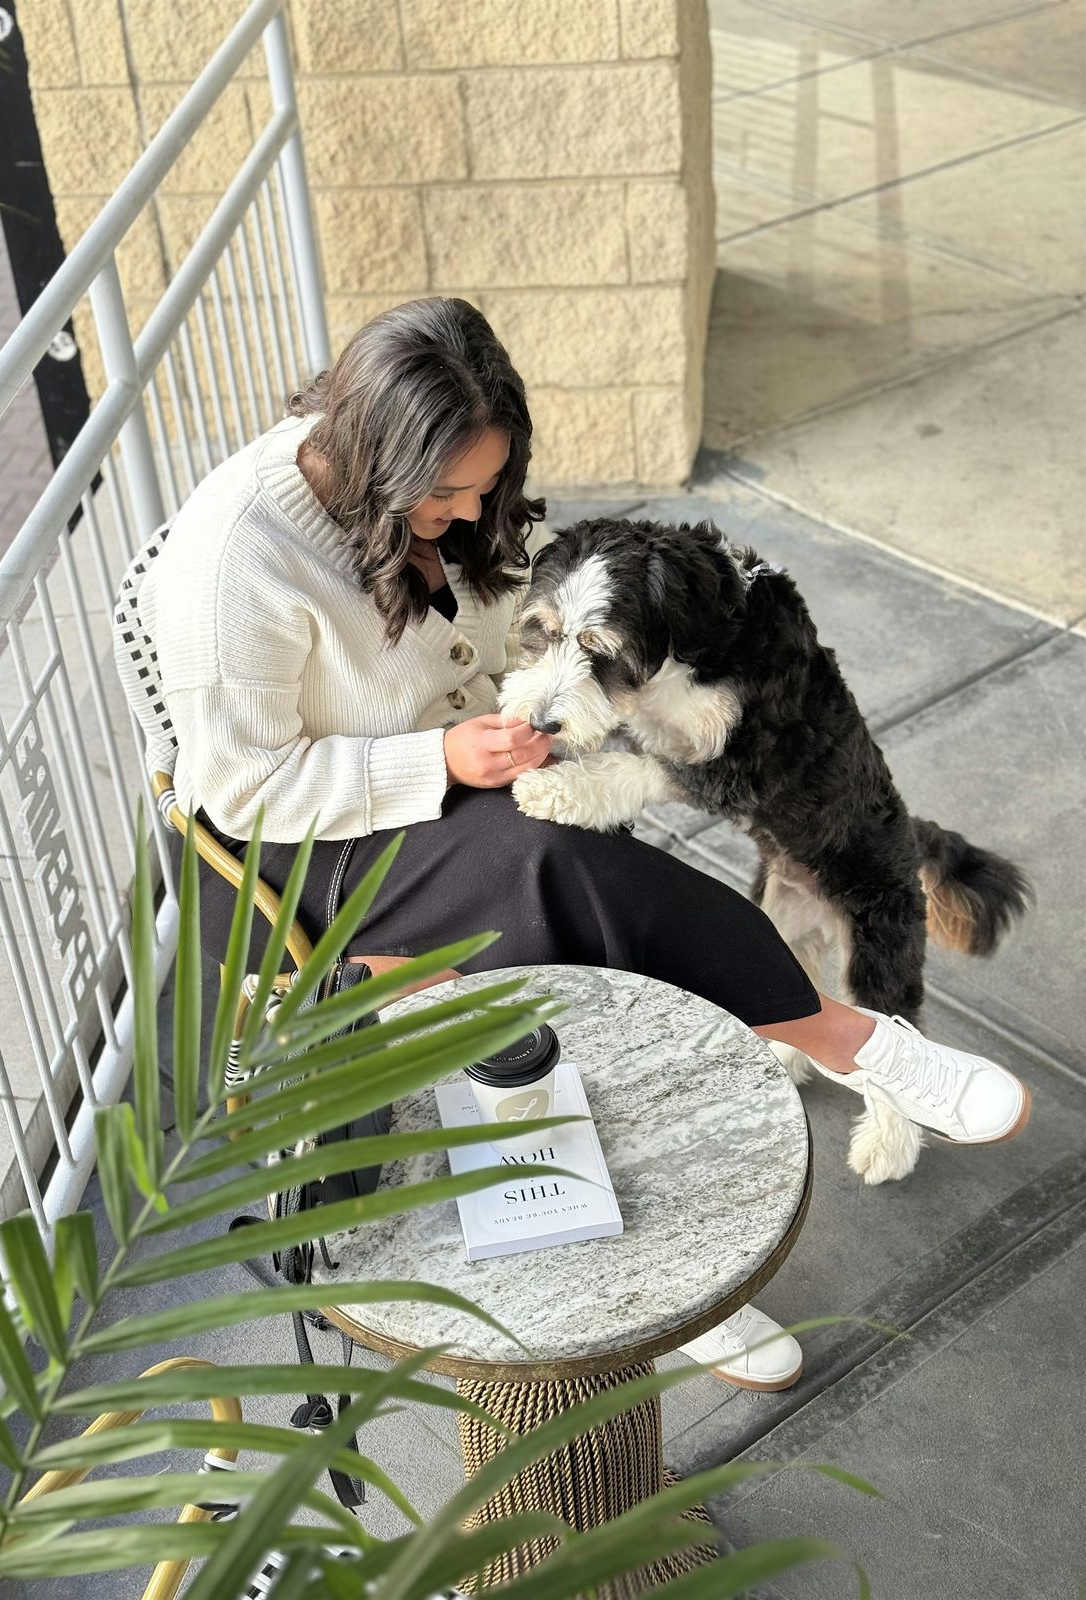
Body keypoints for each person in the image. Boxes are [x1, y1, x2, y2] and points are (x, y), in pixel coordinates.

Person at [142, 297, 1029, 1393]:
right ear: (379, 453)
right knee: (567, 876)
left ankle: (674, 1253)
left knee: (592, 884)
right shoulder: (238, 557)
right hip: (302, 844)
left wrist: (527, 714)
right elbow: (239, 785)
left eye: (487, 486)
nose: (473, 511)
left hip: (447, 787)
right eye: (450, 492)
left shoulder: (435, 496)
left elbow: (511, 641)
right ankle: (851, 1048)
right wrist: (441, 761)